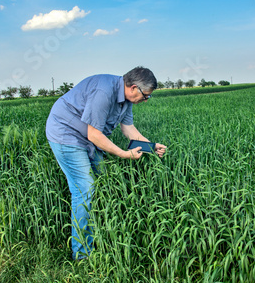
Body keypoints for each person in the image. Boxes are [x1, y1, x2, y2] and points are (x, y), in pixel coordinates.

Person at [46, 66, 166, 260]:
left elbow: (129, 129)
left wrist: (151, 146)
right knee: (85, 189)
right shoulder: (104, 92)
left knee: (104, 181)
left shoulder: (126, 100)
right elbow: (94, 134)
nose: (146, 100)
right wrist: (123, 153)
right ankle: (82, 254)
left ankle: (103, 233)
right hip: (66, 133)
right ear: (134, 87)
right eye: (146, 96)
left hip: (89, 136)